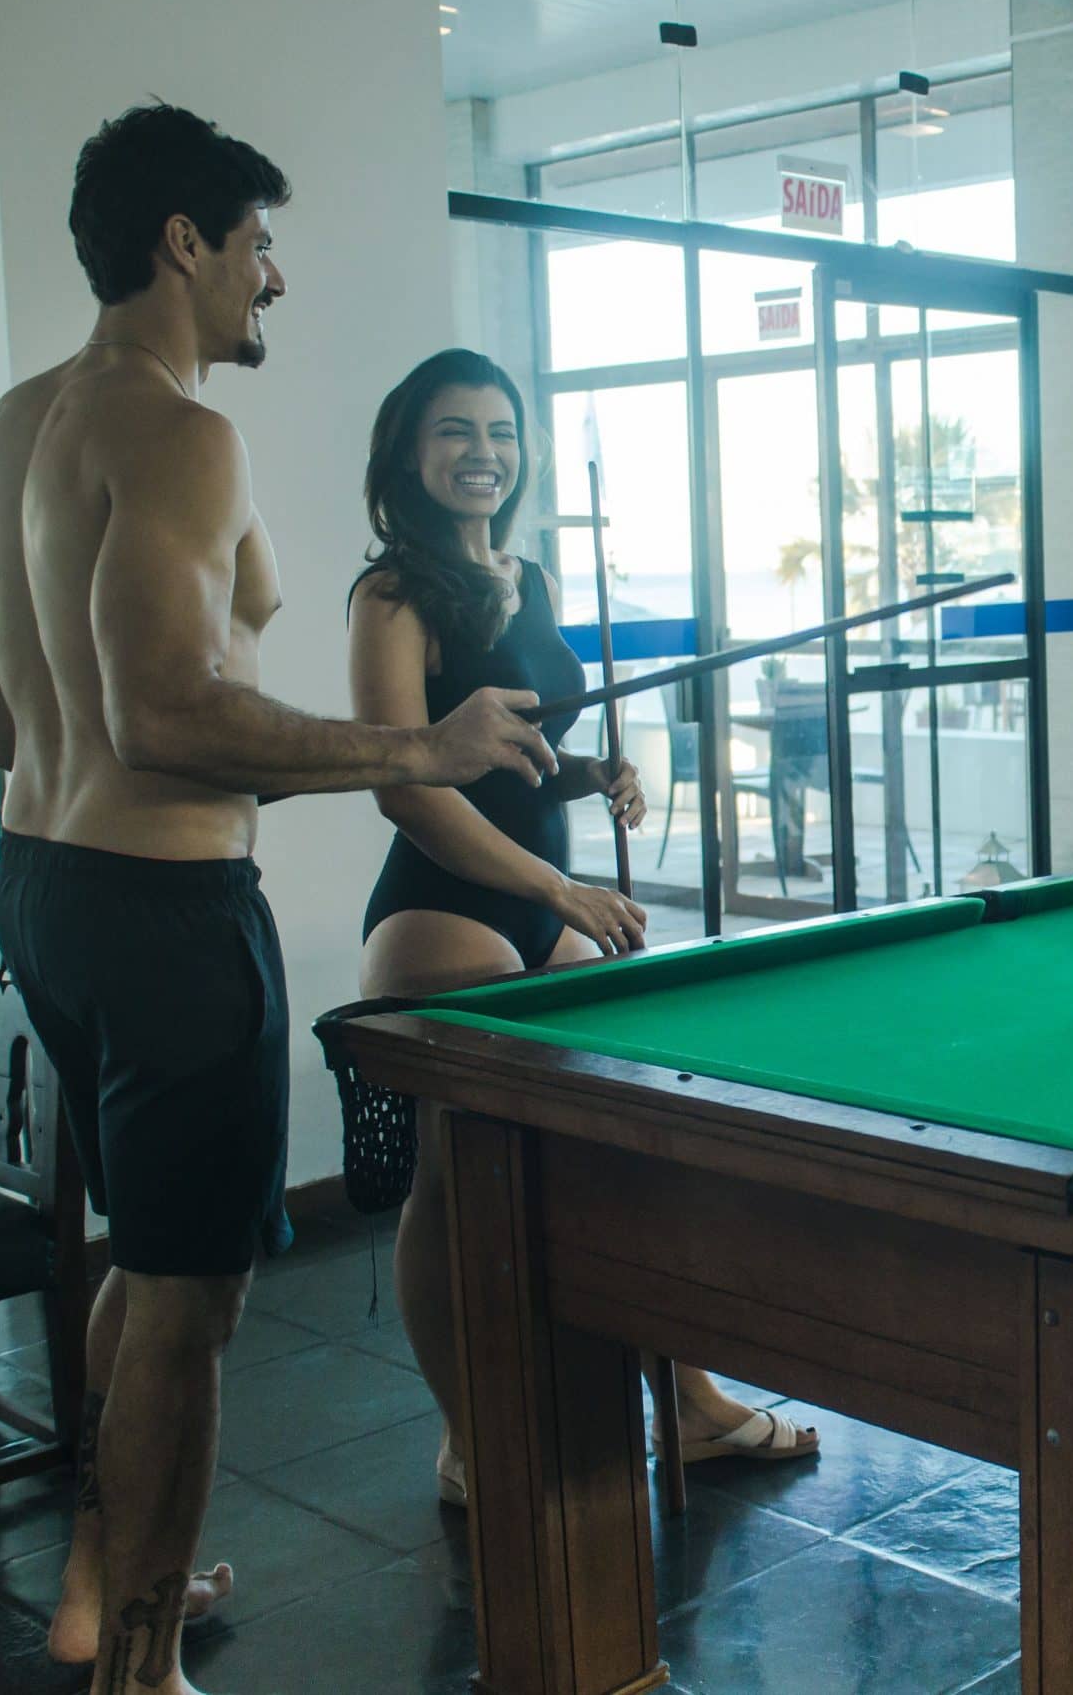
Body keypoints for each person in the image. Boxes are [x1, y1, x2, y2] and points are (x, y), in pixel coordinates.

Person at [0, 104, 556, 1695]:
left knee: (148, 1250)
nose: (275, 277)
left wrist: (90, 765)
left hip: (44, 883)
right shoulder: (181, 432)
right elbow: (173, 713)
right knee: (195, 1305)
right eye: (258, 244)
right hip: (170, 913)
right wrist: (424, 741)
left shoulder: (5, 431)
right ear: (183, 243)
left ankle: (109, 1573)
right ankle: (138, 1664)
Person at [348, 349, 816, 1508]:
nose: (481, 454)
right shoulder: (392, 594)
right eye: (454, 432)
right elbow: (407, 784)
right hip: (442, 912)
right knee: (450, 1190)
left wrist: (591, 771)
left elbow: (516, 759)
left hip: (537, 899)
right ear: (411, 451)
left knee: (624, 1152)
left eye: (500, 431)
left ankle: (690, 1405)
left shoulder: (528, 577)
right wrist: (558, 893)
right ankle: (465, 1440)